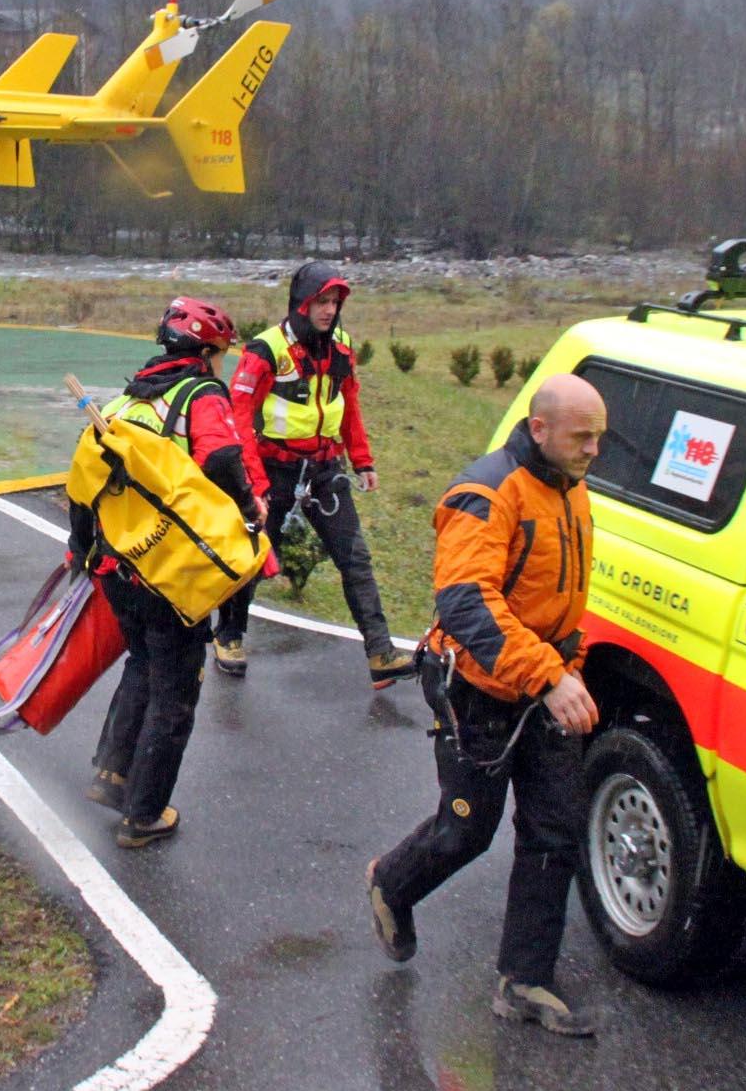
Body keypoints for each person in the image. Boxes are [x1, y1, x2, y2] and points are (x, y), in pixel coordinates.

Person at [366, 373, 608, 1038]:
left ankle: (525, 981)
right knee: (468, 829)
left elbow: (564, 595)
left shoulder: (572, 487)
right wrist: (547, 677)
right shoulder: (486, 492)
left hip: (543, 684)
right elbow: (465, 601)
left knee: (555, 831)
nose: (594, 450)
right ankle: (392, 882)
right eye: (583, 437)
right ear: (540, 429)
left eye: (599, 438)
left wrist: (569, 670)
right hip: (478, 690)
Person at [69, 297, 267, 849]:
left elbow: (82, 487)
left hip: (117, 566)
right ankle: (144, 814)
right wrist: (251, 509)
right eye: (220, 355)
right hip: (168, 572)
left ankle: (111, 774)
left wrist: (80, 553)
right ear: (206, 353)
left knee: (143, 663)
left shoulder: (125, 403)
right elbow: (225, 461)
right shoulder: (201, 395)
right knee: (176, 689)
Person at [223, 263, 417, 689]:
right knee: (253, 556)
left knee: (355, 558)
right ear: (302, 302)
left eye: (335, 303)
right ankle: (230, 636)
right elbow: (238, 418)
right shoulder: (265, 350)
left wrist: (363, 461)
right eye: (322, 302)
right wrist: (254, 484)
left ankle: (380, 653)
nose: (329, 311)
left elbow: (349, 403)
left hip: (325, 470)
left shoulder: (342, 347)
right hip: (273, 469)